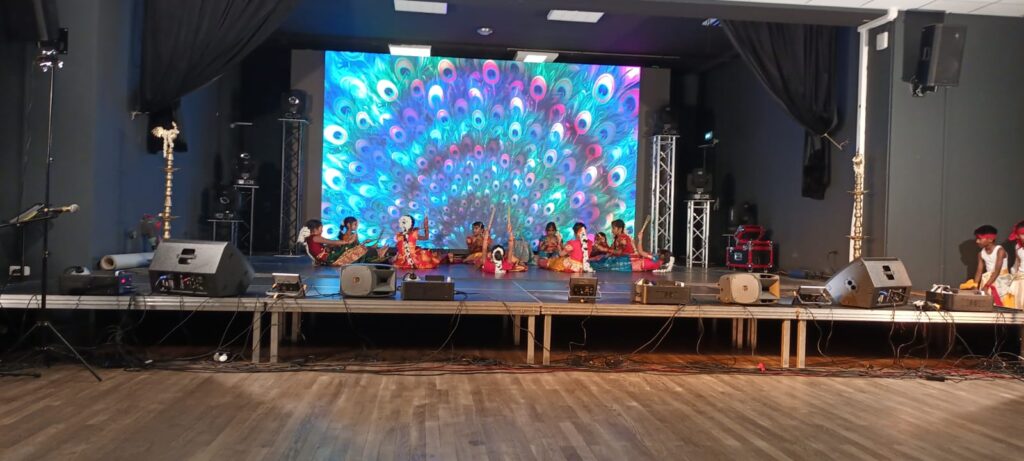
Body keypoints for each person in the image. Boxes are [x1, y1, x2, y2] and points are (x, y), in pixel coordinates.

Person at [960, 225, 1013, 306]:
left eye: (979, 239)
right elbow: (979, 271)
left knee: (1001, 301)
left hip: (1001, 280)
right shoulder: (981, 254)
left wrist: (987, 286)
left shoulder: (1000, 251)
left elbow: (997, 271)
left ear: (990, 239)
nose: (977, 241)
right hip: (988, 280)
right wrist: (975, 285)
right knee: (987, 302)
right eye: (976, 239)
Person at [590, 219, 669, 272]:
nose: (612, 230)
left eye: (613, 228)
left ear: (620, 229)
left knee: (601, 263)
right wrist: (603, 243)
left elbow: (618, 252)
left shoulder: (622, 238)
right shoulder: (619, 238)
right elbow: (611, 251)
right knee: (599, 260)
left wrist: (604, 249)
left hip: (627, 260)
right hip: (626, 260)